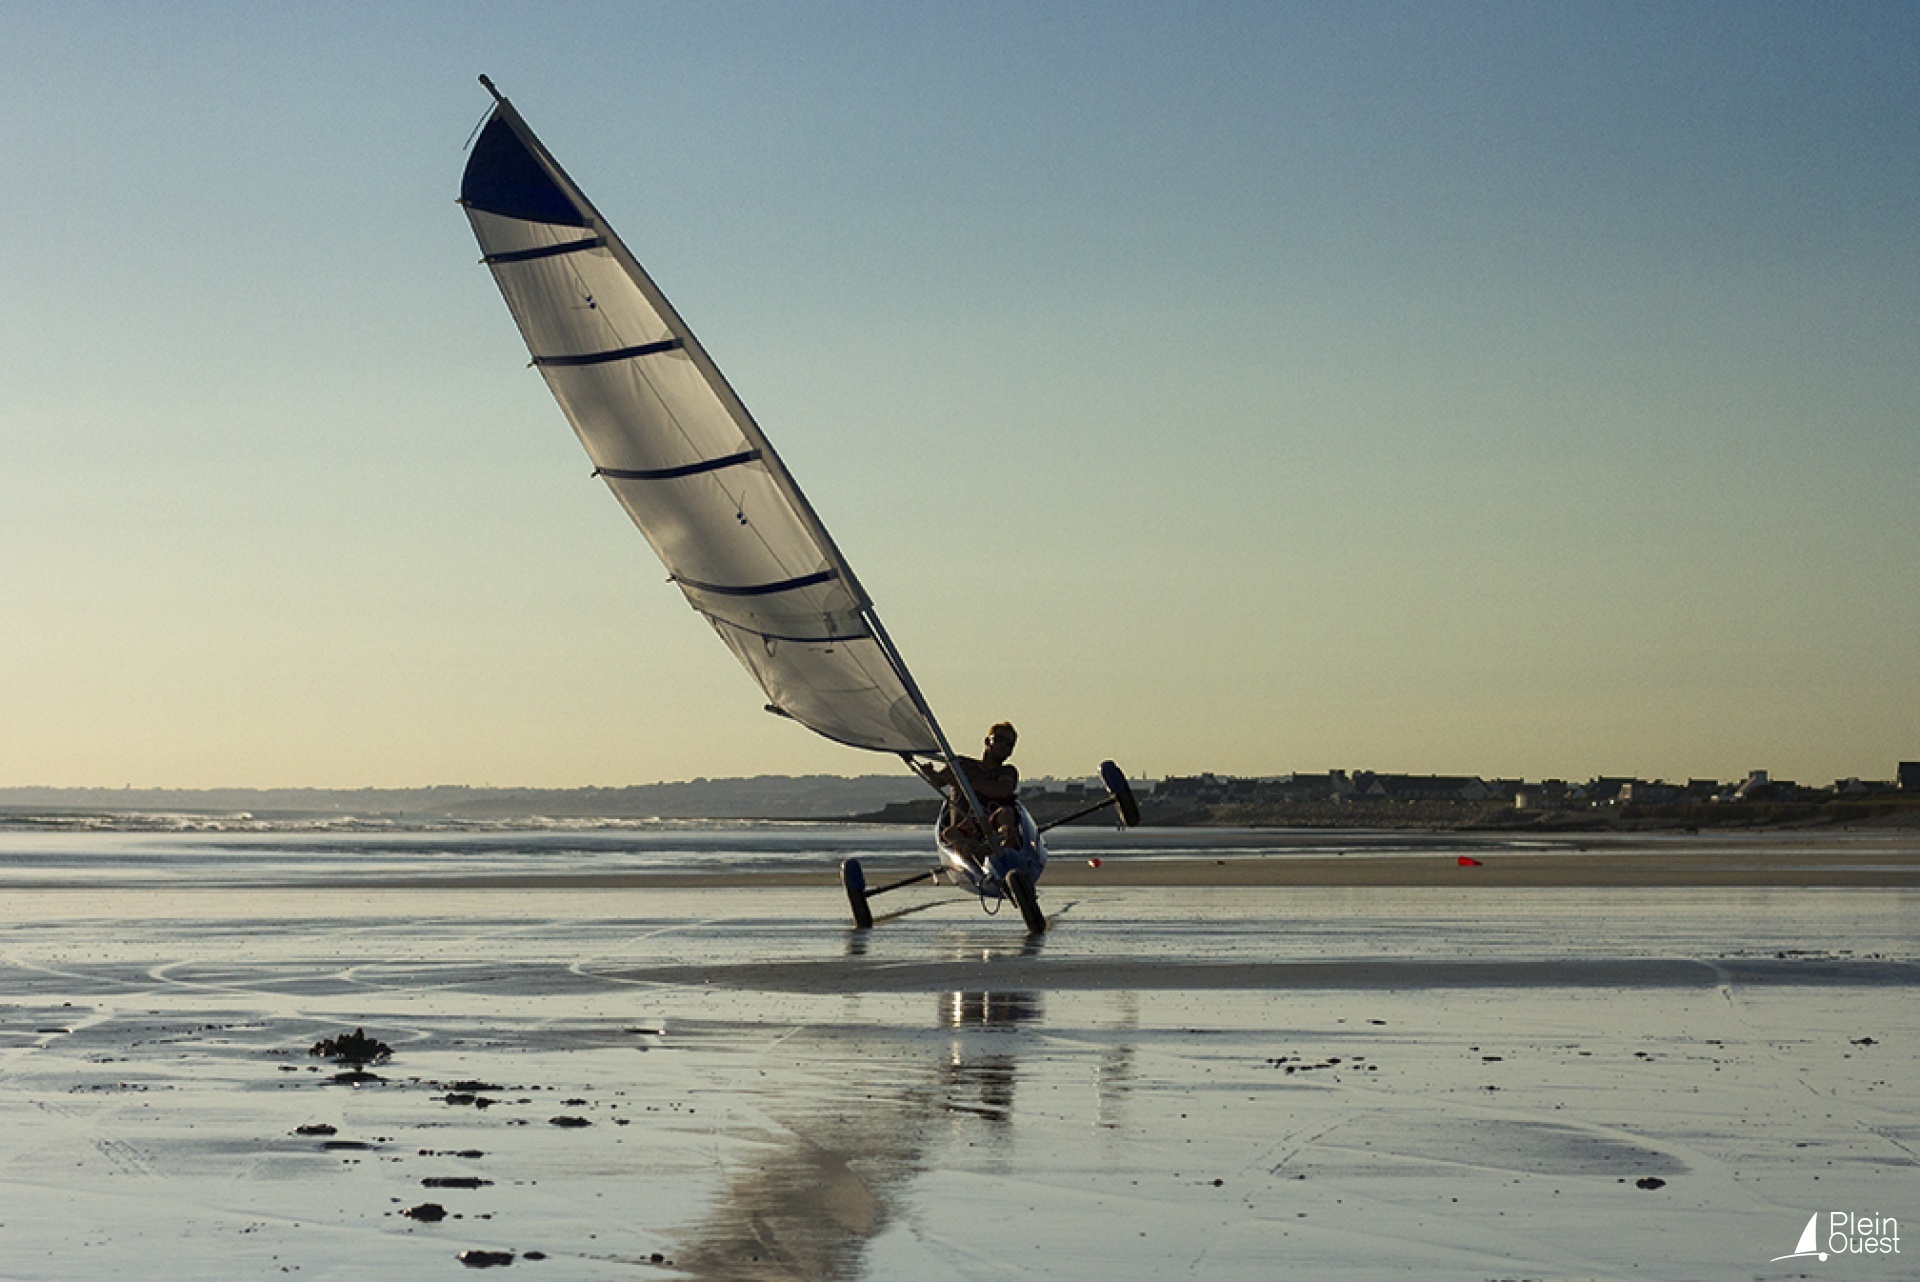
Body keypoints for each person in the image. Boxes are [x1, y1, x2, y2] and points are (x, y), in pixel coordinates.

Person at [917, 722, 1022, 857]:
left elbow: (1002, 790)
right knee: (949, 833)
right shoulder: (961, 764)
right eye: (999, 740)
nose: (1003, 746)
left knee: (1006, 813)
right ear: (987, 741)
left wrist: (964, 783)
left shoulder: (1007, 771)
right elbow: (939, 781)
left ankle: (1007, 844)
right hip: (965, 826)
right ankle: (973, 852)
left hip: (993, 822)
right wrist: (930, 773)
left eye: (1009, 744)